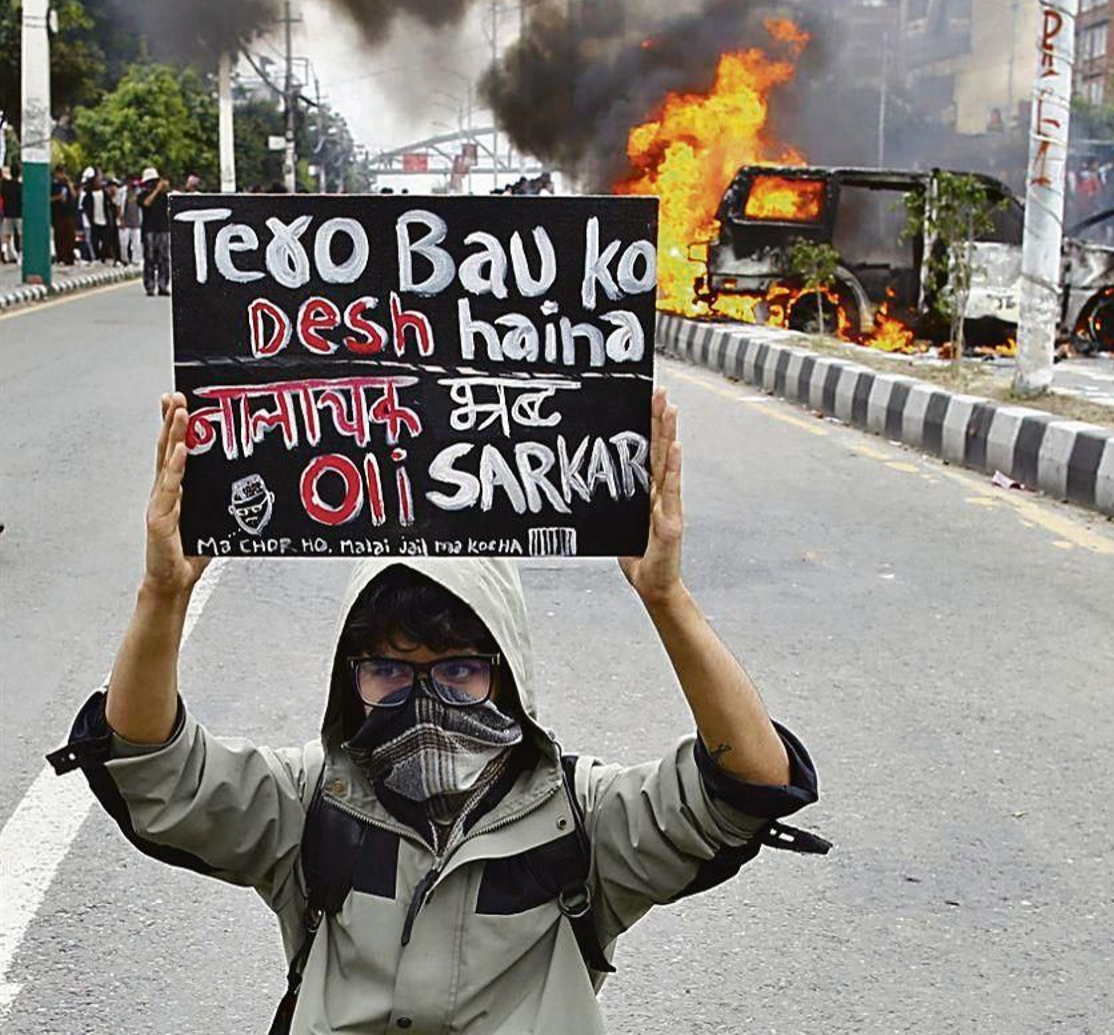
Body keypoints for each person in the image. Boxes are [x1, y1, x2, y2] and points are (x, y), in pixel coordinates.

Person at [53, 389, 821, 1034]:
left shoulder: (580, 820)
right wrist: (163, 594)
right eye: (388, 669)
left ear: (506, 674)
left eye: (457, 669)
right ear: (349, 677)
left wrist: (667, 599)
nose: (424, 700)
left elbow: (748, 785)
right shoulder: (311, 802)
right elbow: (154, 769)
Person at [139, 167, 172, 296]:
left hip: (163, 229)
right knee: (150, 258)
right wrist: (156, 190)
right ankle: (150, 286)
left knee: (164, 259)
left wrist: (164, 189)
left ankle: (163, 285)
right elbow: (146, 204)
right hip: (149, 230)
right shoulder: (142, 195)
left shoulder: (164, 196)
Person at [83, 172, 118, 265]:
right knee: (95, 241)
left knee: (106, 241)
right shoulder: (89, 194)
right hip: (94, 221)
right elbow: (85, 206)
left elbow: (110, 205)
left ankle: (104, 256)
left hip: (104, 220)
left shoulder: (104, 193)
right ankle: (97, 257)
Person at [50, 165, 78, 266]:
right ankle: (61, 257)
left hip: (69, 213)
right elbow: (48, 199)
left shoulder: (67, 184)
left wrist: (69, 183)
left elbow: (74, 196)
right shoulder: (53, 185)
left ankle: (70, 258)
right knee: (59, 237)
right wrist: (58, 197)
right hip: (58, 214)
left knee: (70, 237)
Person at [117, 173, 143, 263]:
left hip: (136, 222)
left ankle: (136, 260)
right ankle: (125, 260)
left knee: (137, 243)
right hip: (125, 221)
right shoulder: (122, 192)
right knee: (124, 243)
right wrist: (121, 219)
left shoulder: (139, 192)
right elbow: (119, 206)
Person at [0, 165, 20, 264]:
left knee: (6, 235)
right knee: (21, 235)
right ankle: (20, 255)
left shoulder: (5, 185)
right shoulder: (20, 186)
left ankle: (3, 250)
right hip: (19, 213)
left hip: (7, 213)